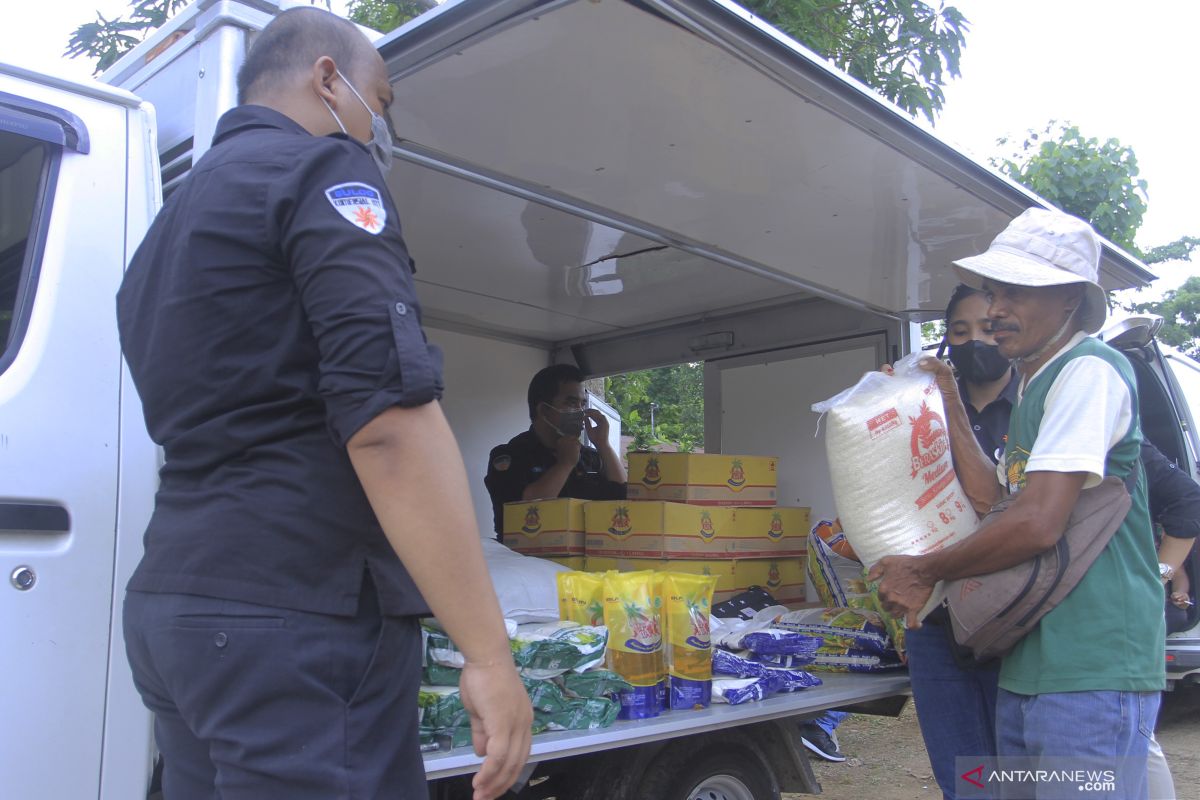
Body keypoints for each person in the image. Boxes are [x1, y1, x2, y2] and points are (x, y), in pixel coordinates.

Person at [116, 9, 530, 799]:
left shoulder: (166, 230)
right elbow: (389, 428)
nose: (381, 125)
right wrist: (488, 657)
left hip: (176, 606)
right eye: (382, 98)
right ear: (326, 79)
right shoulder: (321, 173)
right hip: (298, 615)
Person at [872, 207, 1165, 799]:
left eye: (1017, 292)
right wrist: (948, 398)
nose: (996, 309)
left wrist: (924, 571)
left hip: (1091, 666)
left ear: (1070, 301)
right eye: (993, 291)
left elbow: (1035, 524)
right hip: (1032, 664)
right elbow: (995, 501)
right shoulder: (1038, 381)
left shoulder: (1088, 371)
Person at [485, 364, 627, 540]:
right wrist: (564, 465)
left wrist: (603, 444)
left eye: (583, 404)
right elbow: (523, 510)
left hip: (582, 557)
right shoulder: (511, 455)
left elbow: (621, 496)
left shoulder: (589, 456)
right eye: (571, 403)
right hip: (528, 558)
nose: (581, 412)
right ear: (544, 410)